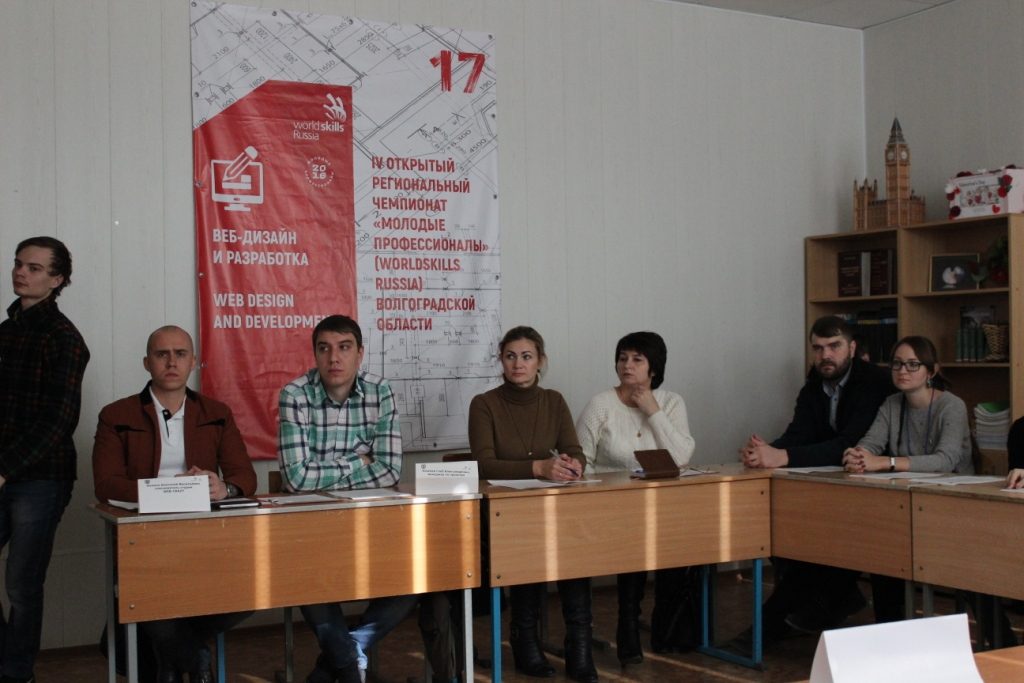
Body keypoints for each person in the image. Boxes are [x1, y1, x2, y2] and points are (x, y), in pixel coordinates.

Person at [279, 315, 456, 683]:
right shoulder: (294, 395)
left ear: (360, 353)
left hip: (371, 520)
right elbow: (296, 479)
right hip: (312, 525)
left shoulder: (380, 391)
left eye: (344, 348)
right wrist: (358, 461)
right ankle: (347, 664)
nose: (334, 358)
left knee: (418, 571)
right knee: (305, 574)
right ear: (314, 354)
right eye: (324, 349)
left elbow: (389, 470)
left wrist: (325, 470)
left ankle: (344, 655)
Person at [92, 326, 257, 683]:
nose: (171, 362)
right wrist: (169, 490)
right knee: (149, 592)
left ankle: (173, 652)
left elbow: (245, 477)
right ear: (146, 363)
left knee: (253, 589)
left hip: (205, 536)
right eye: (161, 354)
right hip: (143, 537)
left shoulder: (217, 412)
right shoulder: (116, 415)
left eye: (180, 354)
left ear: (193, 362)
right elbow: (105, 485)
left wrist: (223, 487)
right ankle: (193, 655)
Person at [737, 315, 893, 640]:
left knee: (815, 541)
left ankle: (766, 631)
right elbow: (799, 433)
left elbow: (850, 442)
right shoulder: (814, 384)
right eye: (818, 348)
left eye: (834, 346)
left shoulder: (873, 382)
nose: (825, 355)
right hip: (836, 486)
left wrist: (782, 457)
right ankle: (834, 599)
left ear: (852, 347)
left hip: (880, 489)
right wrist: (764, 452)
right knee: (783, 531)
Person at [468, 326, 597, 683]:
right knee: (529, 549)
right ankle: (525, 640)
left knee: (577, 547)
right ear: (501, 360)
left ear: (541, 361)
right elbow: (484, 464)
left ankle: (579, 645)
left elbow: (575, 450)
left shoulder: (554, 400)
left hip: (553, 508)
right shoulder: (484, 404)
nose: (518, 364)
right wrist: (539, 467)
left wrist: (573, 465)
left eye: (526, 356)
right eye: (510, 356)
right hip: (506, 511)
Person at [575, 331, 696, 664]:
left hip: (662, 506)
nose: (627, 365)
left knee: (688, 535)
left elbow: (681, 456)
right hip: (610, 504)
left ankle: (667, 628)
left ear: (653, 368)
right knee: (635, 535)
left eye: (637, 359)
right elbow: (580, 460)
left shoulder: (671, 403)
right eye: (622, 358)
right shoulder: (601, 405)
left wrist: (653, 410)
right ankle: (627, 621)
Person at [0, 236, 89, 683]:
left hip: (40, 479)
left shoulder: (65, 338)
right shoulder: (5, 331)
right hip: (5, 472)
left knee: (21, 583)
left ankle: (17, 674)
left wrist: (5, 468)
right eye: (19, 263)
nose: (21, 272)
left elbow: (59, 421)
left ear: (57, 280)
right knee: (20, 583)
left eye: (34, 268)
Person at [843, 335, 974, 624]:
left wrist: (887, 462)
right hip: (906, 504)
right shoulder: (892, 404)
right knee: (879, 545)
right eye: (897, 364)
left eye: (913, 364)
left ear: (932, 371)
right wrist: (858, 455)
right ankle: (890, 627)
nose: (903, 371)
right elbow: (871, 443)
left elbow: (946, 460)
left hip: (953, 507)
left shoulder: (951, 406)